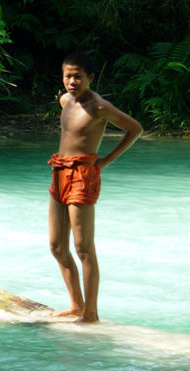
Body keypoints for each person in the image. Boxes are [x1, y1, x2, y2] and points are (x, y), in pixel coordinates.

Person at [48, 52, 143, 323]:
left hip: (83, 174)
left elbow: (135, 129)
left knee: (83, 248)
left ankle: (91, 313)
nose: (72, 81)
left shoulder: (99, 106)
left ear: (90, 77)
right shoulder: (65, 100)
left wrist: (104, 161)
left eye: (78, 76)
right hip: (59, 171)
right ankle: (76, 305)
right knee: (56, 246)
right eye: (68, 75)